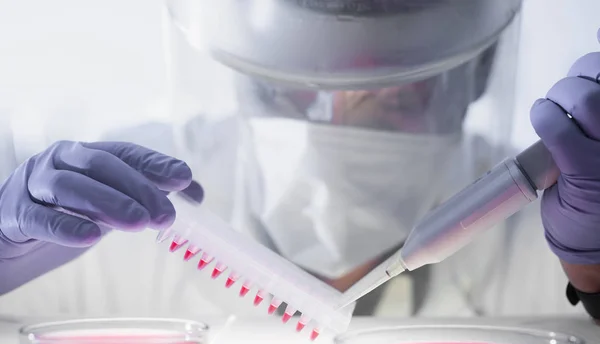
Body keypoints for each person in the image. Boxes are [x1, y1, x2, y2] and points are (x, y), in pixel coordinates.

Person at [0, 0, 599, 321]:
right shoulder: (121, 220)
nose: (341, 114)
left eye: (395, 94)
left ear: (470, 78)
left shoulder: (561, 230)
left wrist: (595, 282)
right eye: (300, 89)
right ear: (243, 73)